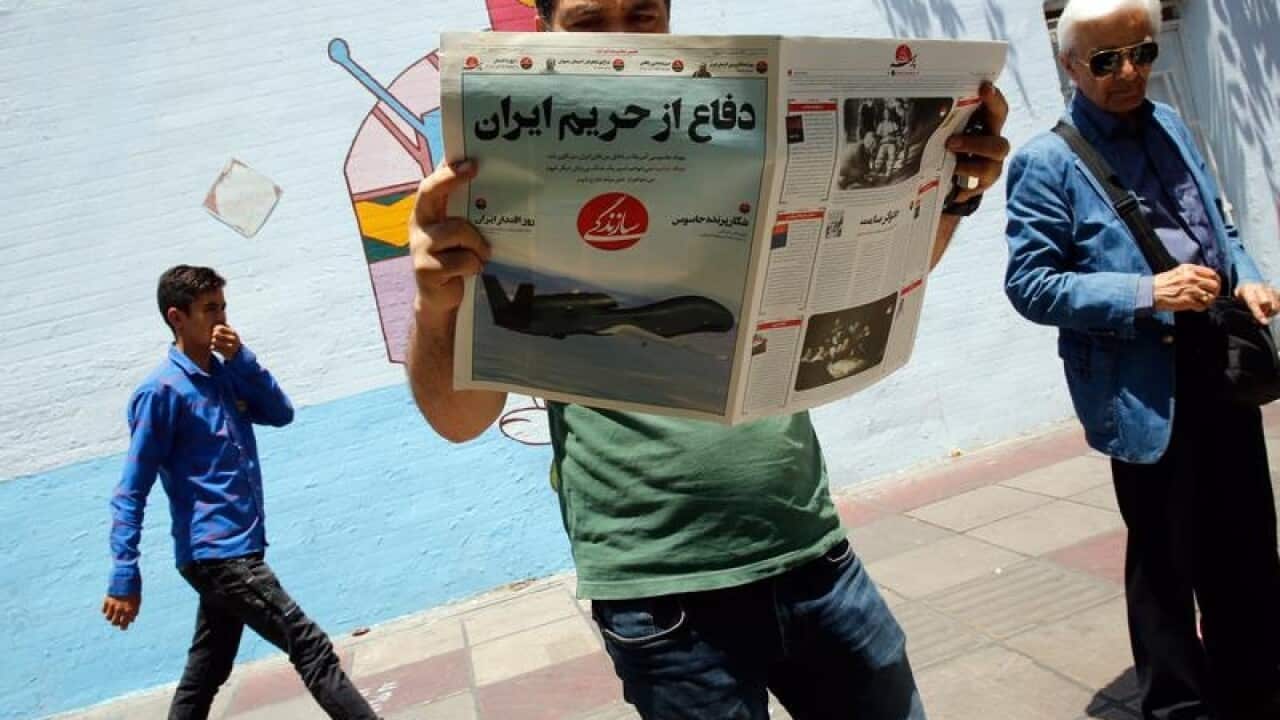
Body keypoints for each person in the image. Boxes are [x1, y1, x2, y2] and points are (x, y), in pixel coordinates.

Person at [407, 1, 1009, 717]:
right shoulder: (493, 179)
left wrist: (948, 197)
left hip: (812, 549)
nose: (625, 41)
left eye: (643, 14)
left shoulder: (738, 140)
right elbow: (459, 419)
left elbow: (865, 288)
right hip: (661, 596)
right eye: (590, 21)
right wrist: (433, 305)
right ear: (542, 33)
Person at [1003, 1, 1280, 717]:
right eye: (1106, 61)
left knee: (1247, 540)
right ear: (1069, 66)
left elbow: (1216, 221)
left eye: (1143, 53)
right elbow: (1031, 284)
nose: (1130, 72)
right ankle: (1179, 703)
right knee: (1165, 558)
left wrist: (1244, 272)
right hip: (1141, 380)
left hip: (1219, 359)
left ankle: (1253, 681)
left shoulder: (1170, 123)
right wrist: (1147, 291)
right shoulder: (1046, 163)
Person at [102, 266, 379, 720]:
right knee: (307, 642)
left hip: (237, 547)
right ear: (177, 317)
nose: (221, 318)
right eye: (209, 309)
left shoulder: (226, 376)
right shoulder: (161, 392)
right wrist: (124, 575)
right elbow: (131, 489)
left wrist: (243, 358)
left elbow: (281, 412)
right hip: (217, 553)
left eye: (223, 306)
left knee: (207, 670)